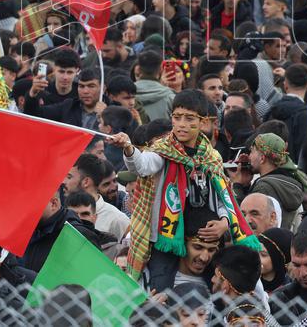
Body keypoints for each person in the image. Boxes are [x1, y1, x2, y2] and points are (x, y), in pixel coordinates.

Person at [106, 90, 260, 291]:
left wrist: (224, 223)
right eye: (177, 118)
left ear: (203, 122)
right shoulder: (162, 150)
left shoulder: (212, 156)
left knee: (222, 288)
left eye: (189, 118)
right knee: (160, 290)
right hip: (166, 239)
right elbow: (142, 166)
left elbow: (223, 198)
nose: (182, 124)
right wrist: (128, 148)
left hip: (206, 240)